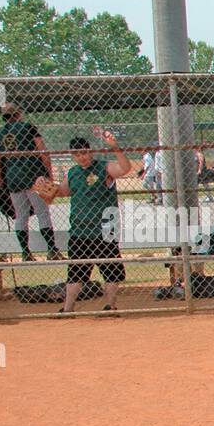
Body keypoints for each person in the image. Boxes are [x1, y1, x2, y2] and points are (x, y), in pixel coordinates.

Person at [52, 134, 132, 314]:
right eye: (77, 154)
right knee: (75, 273)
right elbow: (62, 191)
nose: (82, 157)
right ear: (73, 156)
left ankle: (110, 306)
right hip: (80, 231)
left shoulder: (104, 167)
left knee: (110, 270)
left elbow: (125, 169)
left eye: (85, 153)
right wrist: (45, 189)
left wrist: (115, 147)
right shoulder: (72, 172)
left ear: (91, 151)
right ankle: (68, 309)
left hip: (104, 230)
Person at [0, 103, 59, 261]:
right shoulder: (28, 127)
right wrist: (49, 174)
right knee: (42, 213)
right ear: (18, 114)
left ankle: (26, 253)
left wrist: (0, 183)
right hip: (34, 176)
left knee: (21, 216)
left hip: (13, 180)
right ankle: (52, 249)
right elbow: (42, 150)